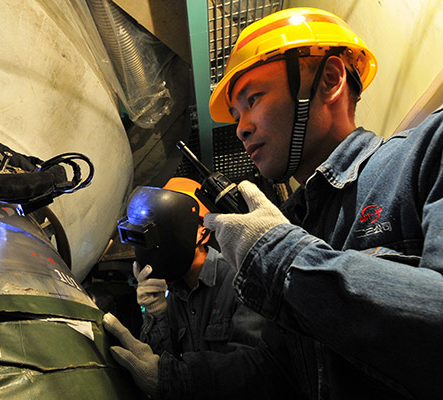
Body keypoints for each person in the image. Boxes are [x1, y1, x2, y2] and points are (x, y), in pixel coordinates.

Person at [104, 7, 443, 399]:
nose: (241, 127)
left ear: (330, 80)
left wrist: (277, 255)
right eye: (235, 114)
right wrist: (169, 377)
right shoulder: (299, 224)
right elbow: (279, 371)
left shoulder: (426, 153)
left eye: (254, 99)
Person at [132, 178, 265, 356]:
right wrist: (156, 315)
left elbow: (249, 366)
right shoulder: (171, 296)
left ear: (202, 230)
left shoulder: (239, 280)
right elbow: (159, 362)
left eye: (169, 227)